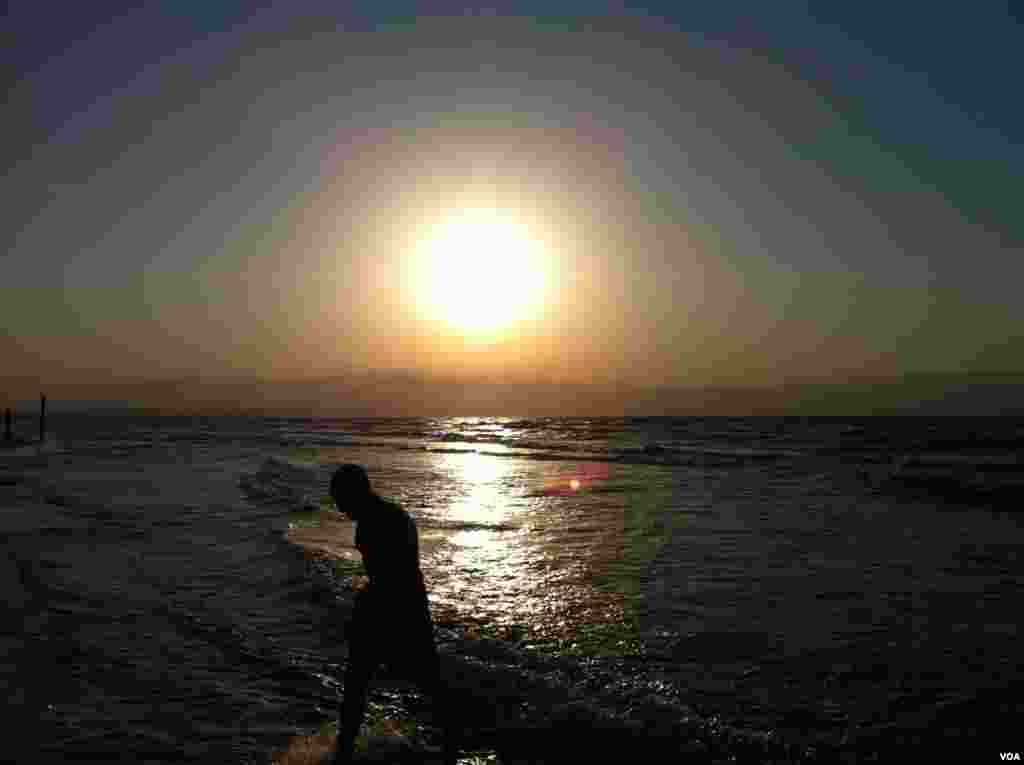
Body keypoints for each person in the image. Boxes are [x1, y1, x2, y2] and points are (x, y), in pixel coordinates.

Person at [330, 464, 457, 765]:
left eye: (341, 501)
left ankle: (345, 751)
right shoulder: (384, 515)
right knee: (418, 679)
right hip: (402, 601)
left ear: (356, 493)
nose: (340, 508)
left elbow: (393, 576)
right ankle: (450, 741)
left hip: (401, 606)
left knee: (364, 681)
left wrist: (367, 607)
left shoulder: (378, 522)